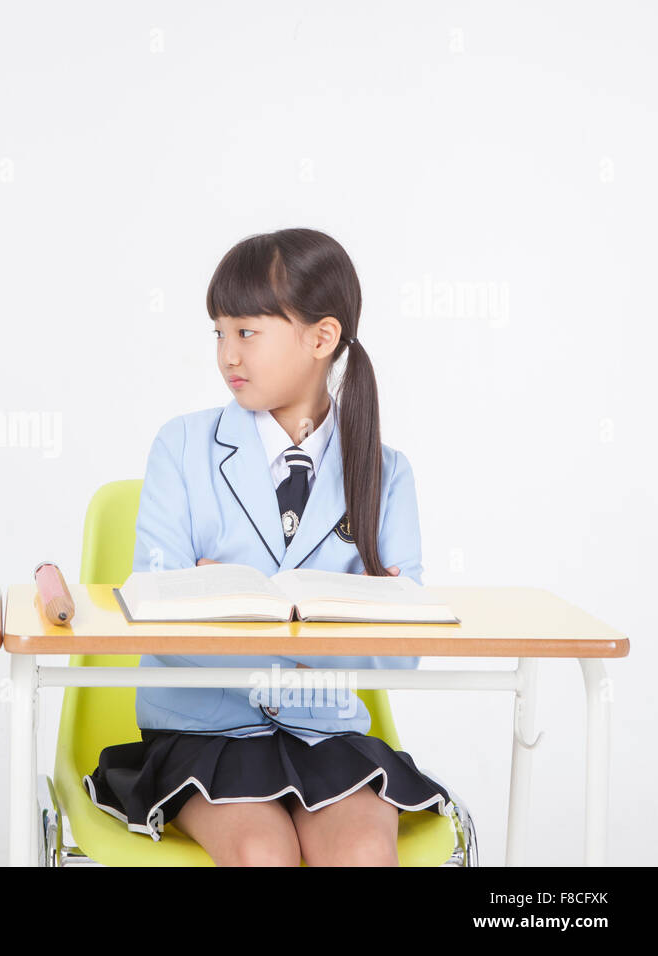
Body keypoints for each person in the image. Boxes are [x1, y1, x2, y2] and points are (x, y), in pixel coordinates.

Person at [84, 228, 453, 866]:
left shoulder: (386, 473)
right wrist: (330, 630)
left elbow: (401, 652)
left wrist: (228, 605)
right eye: (219, 332)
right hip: (203, 732)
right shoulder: (180, 447)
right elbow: (161, 623)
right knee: (263, 855)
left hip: (327, 733)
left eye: (247, 332)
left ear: (321, 338)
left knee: (366, 856)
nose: (228, 354)